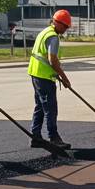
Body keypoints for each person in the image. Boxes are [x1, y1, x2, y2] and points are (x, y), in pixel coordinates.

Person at [29, 9, 74, 150]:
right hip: (44, 77)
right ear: (58, 23)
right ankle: (53, 138)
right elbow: (52, 60)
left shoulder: (45, 32)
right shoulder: (53, 37)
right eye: (65, 27)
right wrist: (64, 78)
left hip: (36, 74)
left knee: (40, 107)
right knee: (50, 108)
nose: (66, 30)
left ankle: (35, 137)